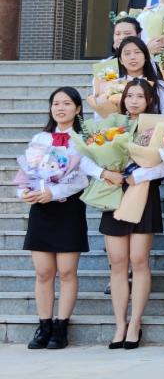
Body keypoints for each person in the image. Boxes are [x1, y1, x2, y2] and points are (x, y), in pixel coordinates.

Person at [81, 79, 164, 349]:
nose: (134, 101)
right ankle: (120, 323)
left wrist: (138, 175)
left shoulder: (156, 126)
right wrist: (107, 172)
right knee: (117, 262)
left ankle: (135, 323)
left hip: (143, 194)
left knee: (139, 260)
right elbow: (90, 156)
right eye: (130, 96)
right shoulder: (112, 124)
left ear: (149, 100)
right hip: (115, 194)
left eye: (140, 96)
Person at [19, 87, 89, 350]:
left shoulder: (84, 140)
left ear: (78, 109)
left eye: (67, 103)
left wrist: (55, 192)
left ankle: (61, 327)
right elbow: (27, 172)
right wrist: (24, 192)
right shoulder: (40, 138)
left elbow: (83, 178)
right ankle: (44, 325)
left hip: (69, 209)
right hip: (41, 209)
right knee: (43, 272)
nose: (61, 108)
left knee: (67, 271)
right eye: (56, 103)